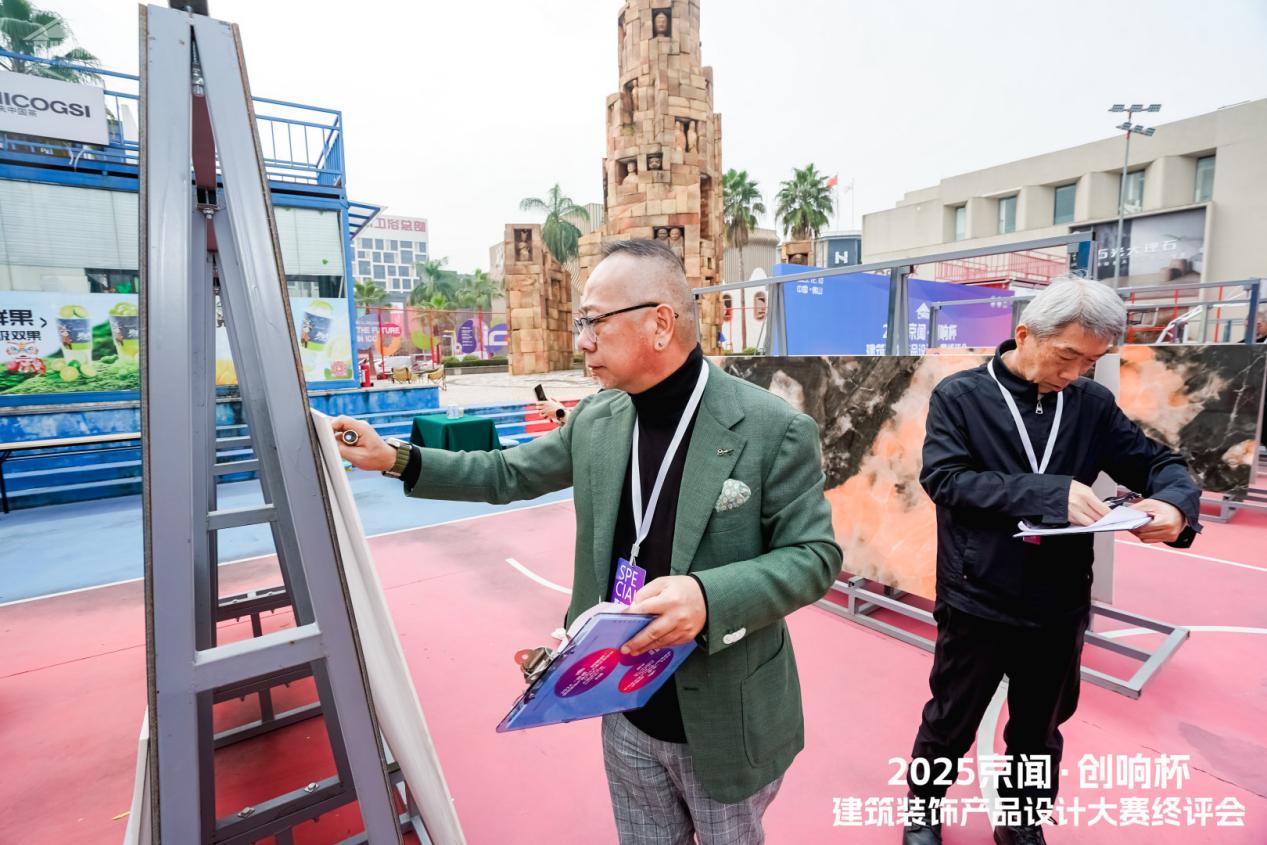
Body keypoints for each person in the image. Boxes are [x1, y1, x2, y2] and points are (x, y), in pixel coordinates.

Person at [335, 238, 842, 844]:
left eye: (594, 321)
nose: (582, 341)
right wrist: (394, 458)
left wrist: (710, 597)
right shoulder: (597, 419)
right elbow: (507, 473)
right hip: (622, 705)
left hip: (722, 718)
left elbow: (814, 556)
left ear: (660, 323)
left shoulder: (773, 428)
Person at [902, 277, 1201, 845]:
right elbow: (945, 479)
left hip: (1058, 602)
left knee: (1040, 729)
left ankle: (1021, 820)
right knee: (951, 717)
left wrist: (1175, 505)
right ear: (1024, 335)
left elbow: (1157, 462)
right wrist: (1046, 493)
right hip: (977, 592)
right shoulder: (961, 397)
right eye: (1067, 356)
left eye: (1091, 361)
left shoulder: (1091, 403)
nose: (1076, 372)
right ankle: (924, 808)